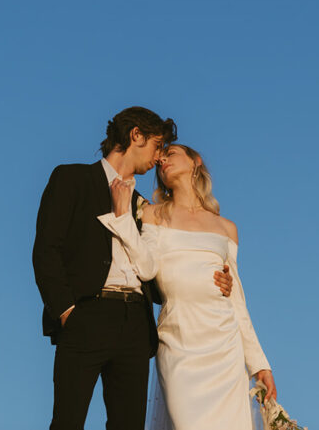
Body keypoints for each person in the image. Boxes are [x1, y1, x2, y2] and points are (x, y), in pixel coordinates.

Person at [32, 107, 233, 430]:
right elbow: (46, 250)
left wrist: (217, 281)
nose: (158, 157)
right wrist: (67, 311)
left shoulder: (149, 210)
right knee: (67, 422)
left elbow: (166, 265)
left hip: (136, 327)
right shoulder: (72, 178)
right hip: (85, 315)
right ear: (135, 135)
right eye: (157, 145)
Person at [98, 143, 277, 429]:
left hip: (224, 345)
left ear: (195, 161)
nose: (163, 161)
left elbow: (237, 302)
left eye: (171, 154)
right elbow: (146, 268)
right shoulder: (153, 214)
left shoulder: (226, 227)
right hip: (178, 342)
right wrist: (123, 218)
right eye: (160, 160)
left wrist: (259, 365)